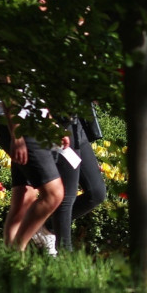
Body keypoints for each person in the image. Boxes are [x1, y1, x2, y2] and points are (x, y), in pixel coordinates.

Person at [0, 90, 65, 254]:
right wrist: (17, 137)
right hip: (20, 127)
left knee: (24, 198)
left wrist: (51, 124)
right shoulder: (12, 64)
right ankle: (15, 253)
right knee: (54, 194)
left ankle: (9, 263)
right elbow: (7, 91)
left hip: (32, 125)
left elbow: (36, 94)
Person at [45, 108, 108, 252]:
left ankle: (45, 226)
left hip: (75, 123)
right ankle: (65, 253)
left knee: (97, 192)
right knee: (68, 195)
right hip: (59, 124)